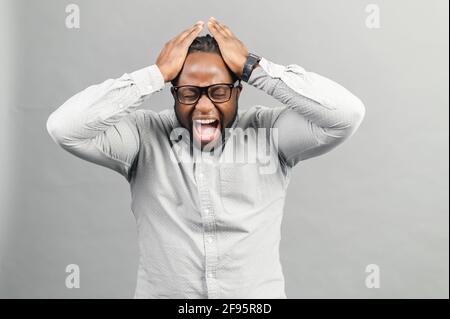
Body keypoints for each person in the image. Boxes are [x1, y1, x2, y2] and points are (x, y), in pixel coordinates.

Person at [46, 17, 365, 298]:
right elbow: (64, 127)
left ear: (238, 92)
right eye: (189, 93)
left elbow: (347, 114)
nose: (203, 106)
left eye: (219, 92)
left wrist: (254, 68)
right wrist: (155, 75)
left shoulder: (270, 134)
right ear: (173, 94)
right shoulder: (144, 138)